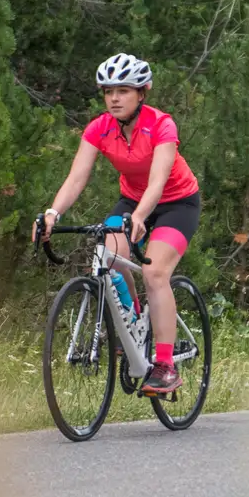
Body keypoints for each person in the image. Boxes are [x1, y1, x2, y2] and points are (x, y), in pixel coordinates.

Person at [33, 53, 200, 396]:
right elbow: (77, 178)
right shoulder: (99, 128)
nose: (114, 98)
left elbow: (158, 181)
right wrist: (52, 213)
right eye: (108, 91)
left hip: (176, 203)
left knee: (154, 273)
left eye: (123, 90)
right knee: (108, 256)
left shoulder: (161, 125)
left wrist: (140, 216)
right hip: (131, 201)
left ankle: (165, 366)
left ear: (142, 93)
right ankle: (134, 323)